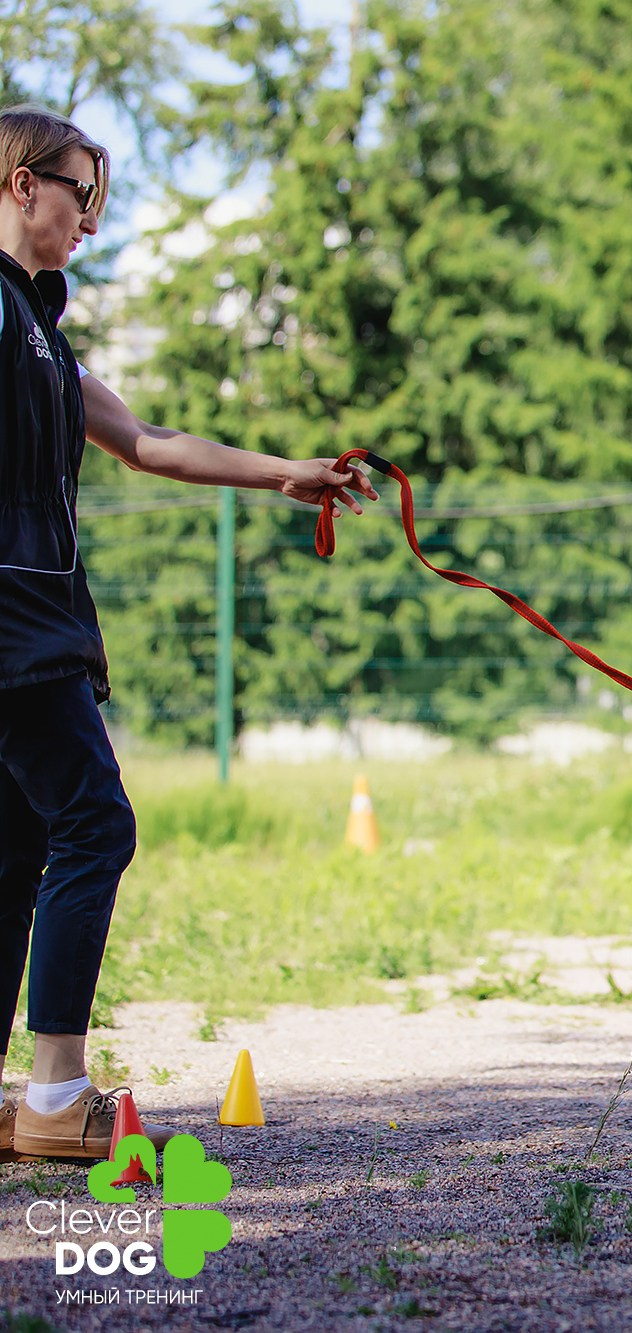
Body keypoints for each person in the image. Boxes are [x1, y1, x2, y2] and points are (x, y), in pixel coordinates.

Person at [0, 104, 377, 1157]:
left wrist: (285, 473)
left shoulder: (35, 331)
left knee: (20, 841)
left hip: (36, 625)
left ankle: (19, 1100)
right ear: (21, 184)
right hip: (14, 632)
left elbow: (144, 439)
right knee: (94, 824)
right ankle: (53, 1098)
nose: (91, 217)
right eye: (81, 191)